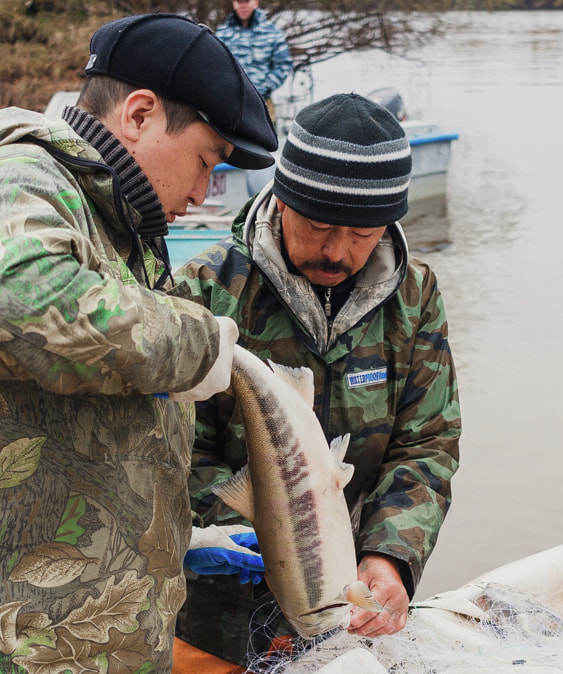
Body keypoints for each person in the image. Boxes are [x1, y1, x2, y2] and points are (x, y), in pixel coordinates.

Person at [0, 14, 280, 673]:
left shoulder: (119, 223)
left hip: (80, 644)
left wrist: (179, 527)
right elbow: (3, 299)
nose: (203, 193)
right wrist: (195, 344)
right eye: (205, 162)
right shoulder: (19, 179)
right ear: (139, 114)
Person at [170, 93, 461, 670]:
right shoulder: (203, 292)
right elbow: (167, 447)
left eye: (361, 232)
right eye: (319, 224)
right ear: (281, 199)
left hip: (351, 612)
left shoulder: (416, 297)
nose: (336, 250)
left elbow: (427, 445)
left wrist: (391, 557)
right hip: (210, 621)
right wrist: (239, 528)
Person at [216, 0, 294, 120]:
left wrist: (266, 87)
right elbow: (215, 66)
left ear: (256, 3)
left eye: (246, 1)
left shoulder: (272, 33)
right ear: (233, 3)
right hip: (229, 105)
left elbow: (284, 65)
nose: (243, 6)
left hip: (262, 105)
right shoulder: (222, 34)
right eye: (239, 2)